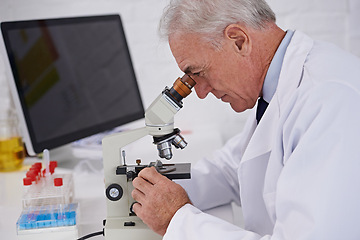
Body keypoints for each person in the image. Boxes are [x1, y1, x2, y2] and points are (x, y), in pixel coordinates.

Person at [131, 0, 360, 239]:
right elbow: (235, 167)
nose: (200, 91)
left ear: (239, 41)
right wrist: (157, 193)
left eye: (198, 73)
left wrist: (177, 221)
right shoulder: (277, 89)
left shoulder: (330, 100)